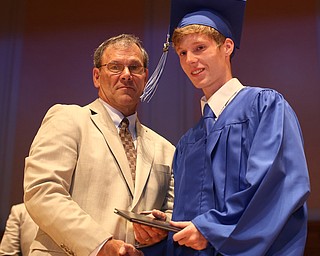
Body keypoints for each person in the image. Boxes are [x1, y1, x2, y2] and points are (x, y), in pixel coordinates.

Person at [141, 0, 311, 255]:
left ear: (227, 47)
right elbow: (191, 223)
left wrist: (211, 230)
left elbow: (276, 187)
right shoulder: (188, 143)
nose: (190, 60)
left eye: (200, 48)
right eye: (182, 53)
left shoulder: (264, 107)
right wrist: (166, 231)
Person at [23, 34, 175, 256]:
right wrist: (99, 244)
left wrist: (161, 226)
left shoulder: (165, 149)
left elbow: (171, 213)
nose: (126, 75)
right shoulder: (68, 119)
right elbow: (43, 192)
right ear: (96, 76)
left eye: (134, 67)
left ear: (145, 77)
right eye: (115, 67)